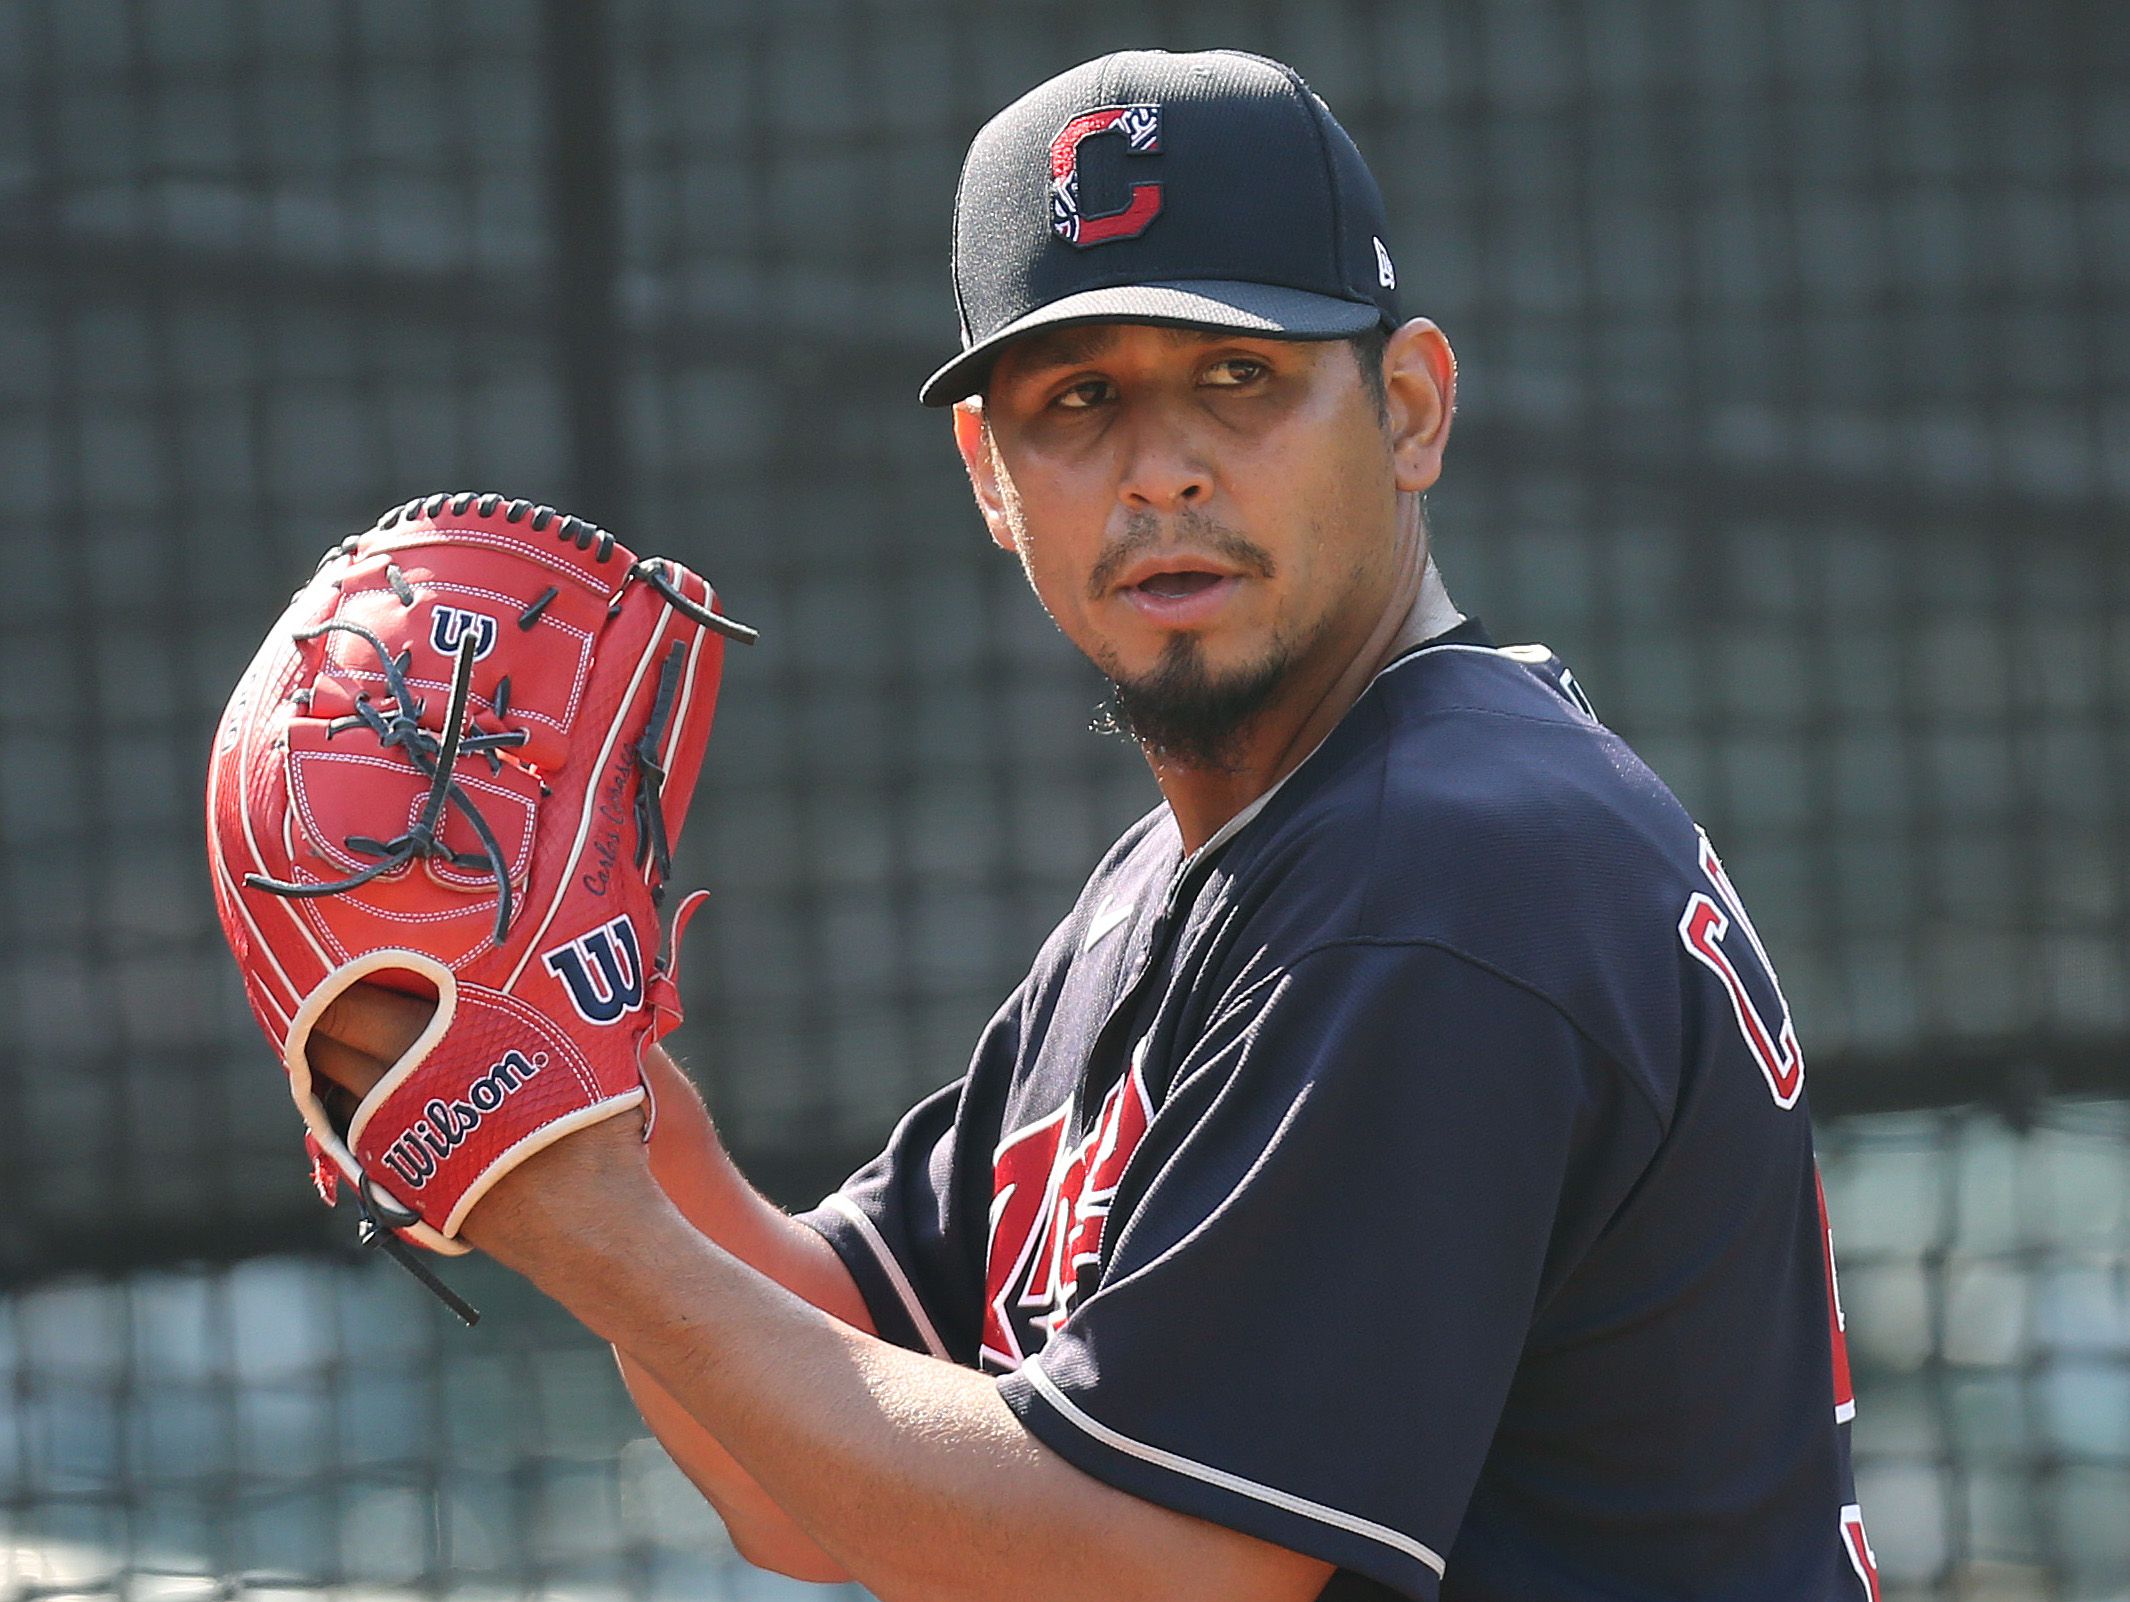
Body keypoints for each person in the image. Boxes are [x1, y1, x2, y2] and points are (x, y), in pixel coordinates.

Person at [314, 49, 1879, 1601]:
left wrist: (591, 1233)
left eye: (1237, 375)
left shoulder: (1443, 877)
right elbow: (823, 1439)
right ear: (993, 476)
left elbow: (1147, 1570)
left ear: (1406, 410)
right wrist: (571, 1084)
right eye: (1078, 400)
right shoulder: (1219, 874)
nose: (1160, 470)